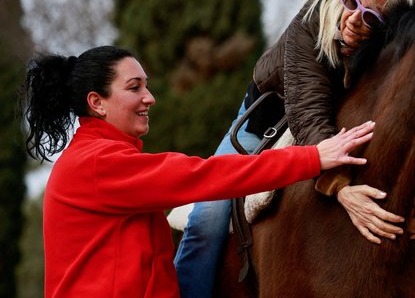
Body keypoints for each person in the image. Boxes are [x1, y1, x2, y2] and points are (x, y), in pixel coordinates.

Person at [175, 0, 415, 297]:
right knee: (208, 218)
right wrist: (341, 189)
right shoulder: (313, 18)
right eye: (351, 1)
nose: (351, 19)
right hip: (273, 119)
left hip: (349, 123)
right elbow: (308, 112)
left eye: (370, 18)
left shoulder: (394, 60)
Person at [20, 45, 375, 298]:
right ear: (96, 102)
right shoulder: (98, 164)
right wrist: (313, 157)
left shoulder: (98, 157)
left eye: (146, 84)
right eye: (134, 88)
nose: (150, 97)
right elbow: (206, 176)